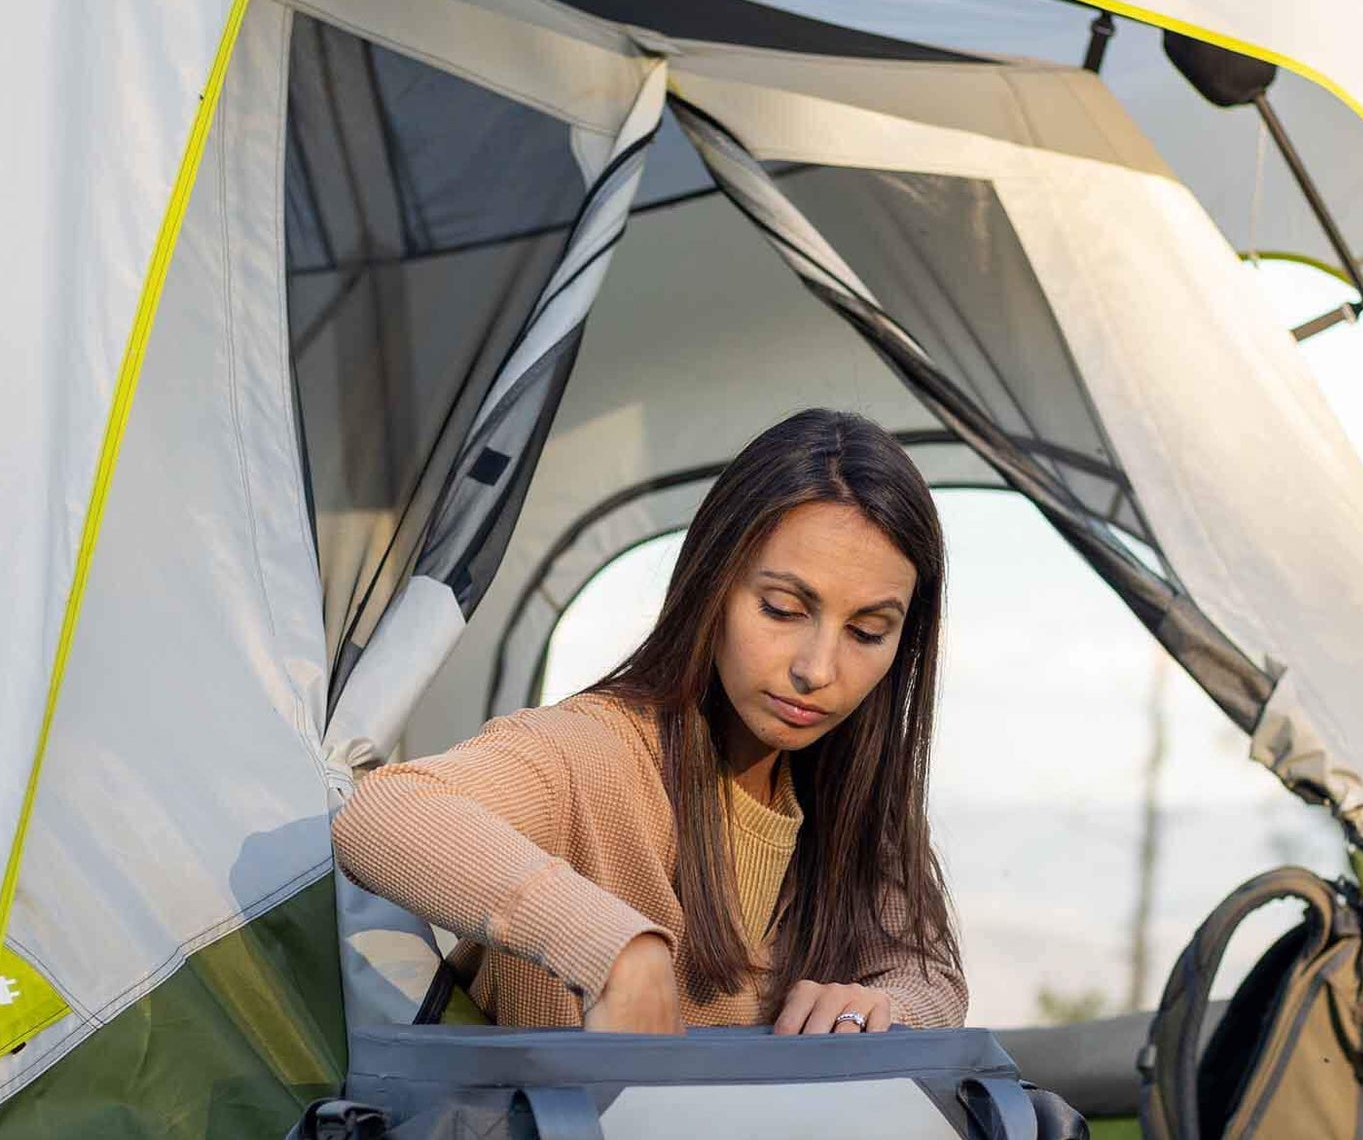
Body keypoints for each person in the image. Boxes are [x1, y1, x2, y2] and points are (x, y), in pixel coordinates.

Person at [332, 409, 966, 1034]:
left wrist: (878, 1012)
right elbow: (385, 810)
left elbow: (928, 976)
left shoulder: (843, 788)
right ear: (712, 585)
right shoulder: (596, 751)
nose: (819, 669)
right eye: (781, 609)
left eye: (867, 631)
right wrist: (612, 948)